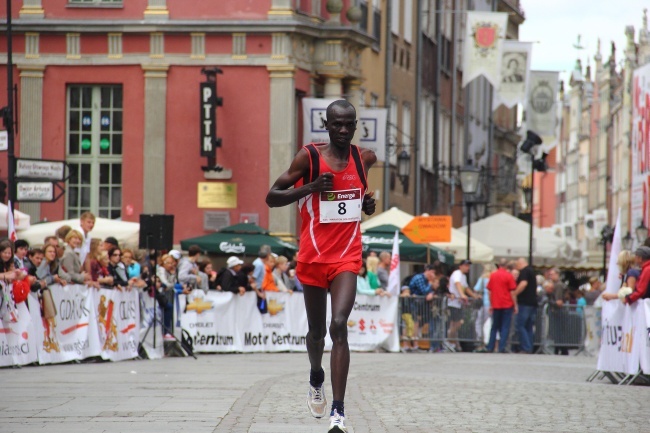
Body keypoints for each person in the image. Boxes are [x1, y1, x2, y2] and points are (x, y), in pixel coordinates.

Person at [266, 99, 376, 432]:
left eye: (348, 125)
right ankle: (316, 375)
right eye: (336, 125)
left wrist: (367, 204)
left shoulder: (363, 158)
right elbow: (272, 196)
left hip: (347, 255)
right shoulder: (309, 158)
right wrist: (311, 187)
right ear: (326, 126)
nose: (343, 130)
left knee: (338, 324)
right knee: (316, 333)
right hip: (313, 257)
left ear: (355, 126)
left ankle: (339, 413)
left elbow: (358, 200)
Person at [485, 260, 517, 353]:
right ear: (506, 266)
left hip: (496, 304)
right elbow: (512, 292)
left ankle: (490, 347)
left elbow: (489, 291)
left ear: (499, 265)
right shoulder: (509, 276)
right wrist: (515, 305)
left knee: (494, 326)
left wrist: (491, 304)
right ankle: (501, 347)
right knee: (505, 327)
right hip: (507, 304)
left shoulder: (493, 275)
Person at [513, 257, 538, 354]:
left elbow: (523, 284)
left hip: (524, 302)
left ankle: (525, 347)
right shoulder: (532, 271)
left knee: (520, 325)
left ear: (520, 264)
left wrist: (515, 293)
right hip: (533, 302)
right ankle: (529, 346)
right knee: (529, 326)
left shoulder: (524, 271)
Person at [448, 260, 473, 351]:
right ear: (460, 266)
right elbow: (457, 283)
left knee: (457, 324)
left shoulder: (464, 276)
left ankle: (453, 341)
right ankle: (449, 340)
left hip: (459, 304)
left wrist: (474, 295)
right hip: (453, 303)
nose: (468, 268)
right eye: (466, 266)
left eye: (468, 266)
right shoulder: (457, 273)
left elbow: (466, 287)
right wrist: (462, 295)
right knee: (456, 323)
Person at [473, 264, 493, 352]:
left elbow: (476, 289)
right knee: (492, 323)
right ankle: (492, 343)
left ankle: (480, 341)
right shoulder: (494, 277)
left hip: (485, 303)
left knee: (479, 323)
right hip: (495, 304)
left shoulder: (483, 278)